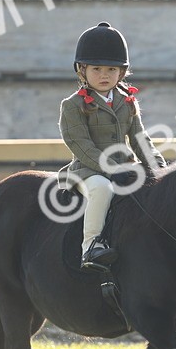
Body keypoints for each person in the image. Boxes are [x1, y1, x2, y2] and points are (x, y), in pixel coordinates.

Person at [58, 22, 165, 272]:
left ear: (122, 72)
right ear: (81, 70)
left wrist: (159, 168)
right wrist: (112, 168)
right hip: (88, 171)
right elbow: (80, 145)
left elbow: (140, 138)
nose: (104, 75)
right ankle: (91, 245)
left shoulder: (126, 102)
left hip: (123, 168)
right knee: (103, 189)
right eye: (96, 69)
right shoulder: (73, 105)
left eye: (111, 69)